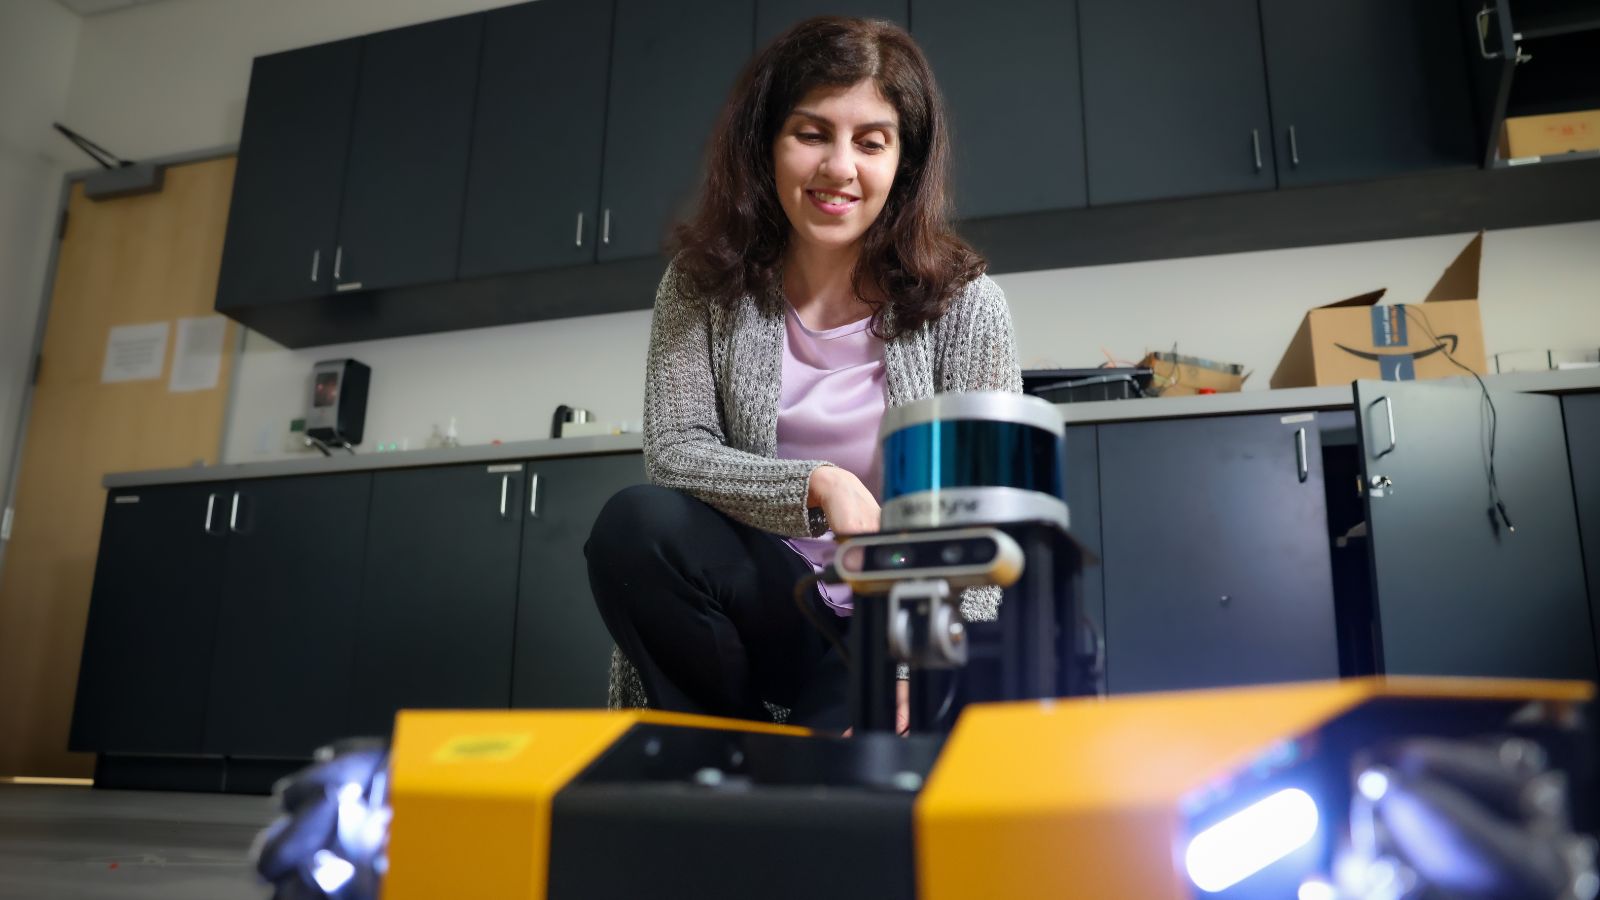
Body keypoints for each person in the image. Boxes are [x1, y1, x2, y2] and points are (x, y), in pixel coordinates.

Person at [586, 15, 1021, 733]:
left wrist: (924, 666)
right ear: (767, 146)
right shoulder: (700, 285)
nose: (839, 167)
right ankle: (715, 750)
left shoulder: (967, 307)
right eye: (812, 133)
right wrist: (821, 484)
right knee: (637, 523)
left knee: (838, 807)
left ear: (903, 163)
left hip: (888, 632)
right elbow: (675, 450)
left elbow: (986, 519)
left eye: (870, 142)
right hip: (763, 608)